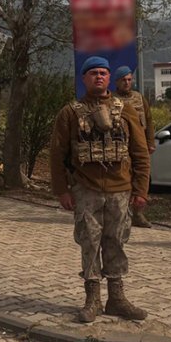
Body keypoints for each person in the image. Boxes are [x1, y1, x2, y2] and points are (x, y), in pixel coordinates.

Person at [50, 56, 150, 323]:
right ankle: (92, 299)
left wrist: (141, 190)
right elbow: (57, 154)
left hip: (121, 189)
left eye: (103, 73)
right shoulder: (70, 113)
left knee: (116, 241)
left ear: (109, 78)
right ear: (84, 78)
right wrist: (62, 191)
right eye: (93, 72)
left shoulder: (125, 110)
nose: (99, 76)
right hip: (86, 189)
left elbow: (140, 153)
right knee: (90, 242)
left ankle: (117, 299)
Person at [113, 66, 155, 228]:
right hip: (120, 144)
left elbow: (148, 120)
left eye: (129, 79)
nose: (127, 82)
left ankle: (138, 213)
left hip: (139, 144)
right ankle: (121, 212)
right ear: (116, 82)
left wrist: (150, 142)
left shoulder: (139, 98)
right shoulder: (112, 99)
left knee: (141, 177)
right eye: (123, 80)